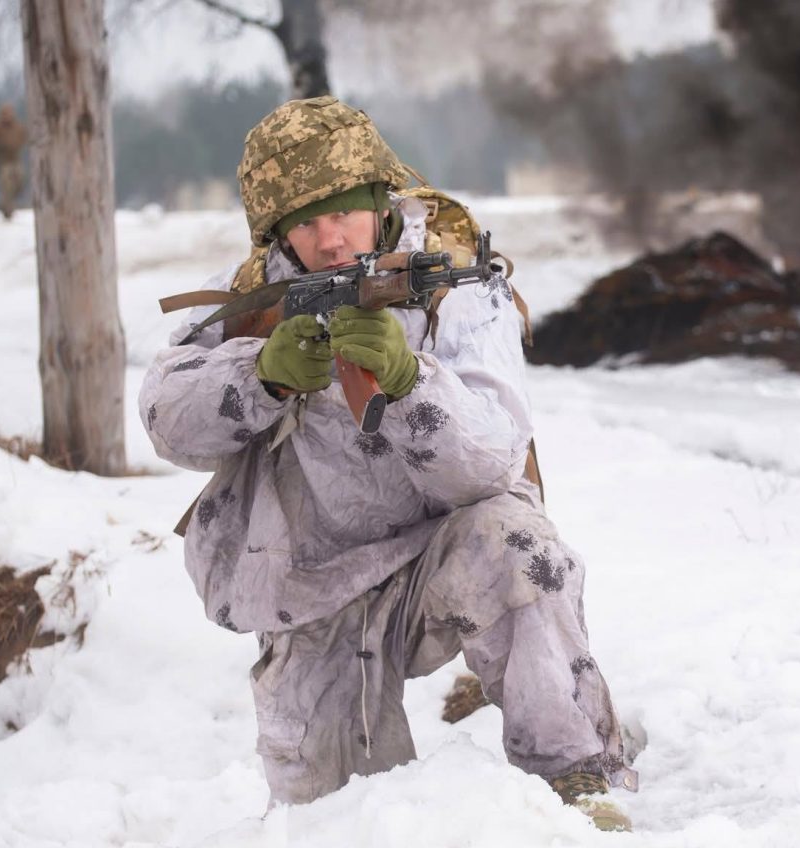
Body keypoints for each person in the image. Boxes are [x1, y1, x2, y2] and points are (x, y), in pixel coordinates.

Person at [139, 96, 637, 830]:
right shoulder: (253, 296)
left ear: (380, 199)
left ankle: (578, 775)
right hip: (310, 590)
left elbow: (498, 459)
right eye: (305, 222)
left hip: (438, 560)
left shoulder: (457, 287)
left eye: (344, 212)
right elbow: (163, 418)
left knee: (522, 549)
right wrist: (261, 376)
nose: (331, 239)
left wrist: (412, 384)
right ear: (277, 232)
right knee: (331, 820)